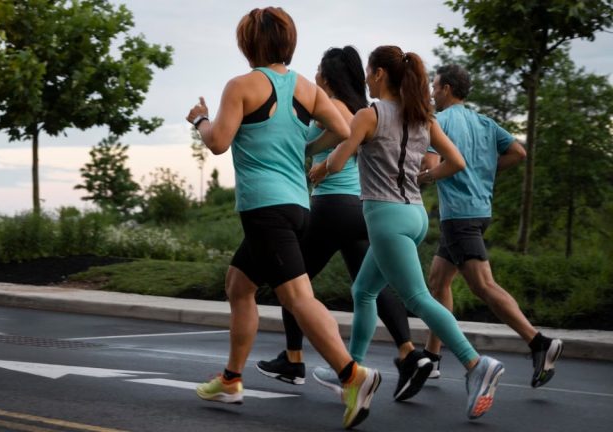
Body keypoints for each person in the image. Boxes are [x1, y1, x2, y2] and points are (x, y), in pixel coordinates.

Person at [185, 8, 381, 429]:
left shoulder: (241, 86)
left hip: (264, 208)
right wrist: (307, 149)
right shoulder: (306, 89)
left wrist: (199, 119)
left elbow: (218, 142)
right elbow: (346, 129)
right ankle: (232, 379)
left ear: (248, 43)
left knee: (296, 297)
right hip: (297, 205)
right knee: (240, 285)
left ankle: (353, 375)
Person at [310, 45, 505, 420]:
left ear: (380, 74)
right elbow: (457, 162)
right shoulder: (422, 117)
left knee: (417, 298)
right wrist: (424, 177)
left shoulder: (370, 115)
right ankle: (352, 370)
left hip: (385, 216)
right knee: (363, 290)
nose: (365, 77)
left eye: (368, 71)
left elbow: (338, 157)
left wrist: (320, 170)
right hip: (415, 215)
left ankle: (476, 364)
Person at [254, 46, 432, 402]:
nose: (316, 74)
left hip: (332, 207)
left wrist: (306, 150)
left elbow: (320, 141)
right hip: (360, 210)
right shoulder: (361, 108)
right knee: (370, 287)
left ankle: (293, 360)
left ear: (328, 76)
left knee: (292, 281)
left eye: (320, 70)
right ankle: (409, 352)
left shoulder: (334, 108)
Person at [423, 64, 563, 387]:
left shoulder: (439, 122)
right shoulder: (484, 122)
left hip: (459, 215)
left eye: (434, 87)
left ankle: (538, 342)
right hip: (479, 211)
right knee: (438, 280)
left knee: (483, 285)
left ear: (446, 90)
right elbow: (518, 151)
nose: (431, 93)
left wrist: (420, 176)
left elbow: (430, 166)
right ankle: (431, 357)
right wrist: (486, 170)